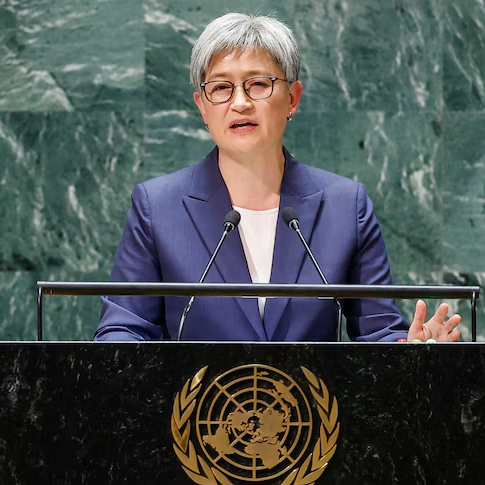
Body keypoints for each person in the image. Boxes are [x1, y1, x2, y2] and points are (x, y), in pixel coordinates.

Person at [94, 13, 460, 342]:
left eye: (258, 84)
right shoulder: (158, 207)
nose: (240, 102)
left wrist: (410, 349)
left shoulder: (345, 206)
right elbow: (123, 329)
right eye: (221, 87)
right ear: (202, 106)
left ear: (292, 99)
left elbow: (379, 331)